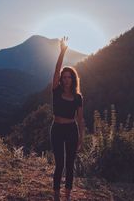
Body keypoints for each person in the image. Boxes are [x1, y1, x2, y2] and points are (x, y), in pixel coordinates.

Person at [50, 36, 85, 201]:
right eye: (64, 77)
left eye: (69, 77)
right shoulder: (56, 92)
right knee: (59, 165)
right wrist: (62, 52)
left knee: (70, 165)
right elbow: (56, 70)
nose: (66, 79)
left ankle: (67, 197)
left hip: (72, 130)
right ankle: (56, 197)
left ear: (73, 79)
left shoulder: (78, 97)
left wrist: (82, 138)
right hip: (57, 129)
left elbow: (81, 119)